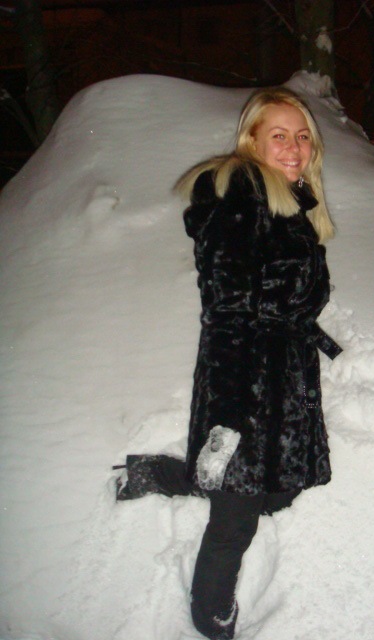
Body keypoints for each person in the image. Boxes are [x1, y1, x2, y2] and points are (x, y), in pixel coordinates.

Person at [114, 86, 342, 640]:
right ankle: (209, 610)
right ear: (251, 141)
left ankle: (175, 474)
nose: (294, 147)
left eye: (302, 136)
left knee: (278, 493)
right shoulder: (239, 201)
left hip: (284, 375)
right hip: (245, 378)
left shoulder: (290, 202)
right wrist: (227, 419)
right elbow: (227, 318)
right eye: (278, 135)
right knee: (236, 518)